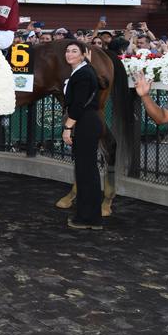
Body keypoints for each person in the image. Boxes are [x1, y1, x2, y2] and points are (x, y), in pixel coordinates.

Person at [62, 41, 104, 230]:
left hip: (85, 123)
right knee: (87, 171)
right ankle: (90, 217)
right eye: (67, 51)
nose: (69, 54)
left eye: (74, 51)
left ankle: (88, 218)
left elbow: (78, 105)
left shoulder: (83, 74)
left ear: (83, 54)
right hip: (87, 123)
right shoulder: (84, 71)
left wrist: (68, 127)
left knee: (86, 171)